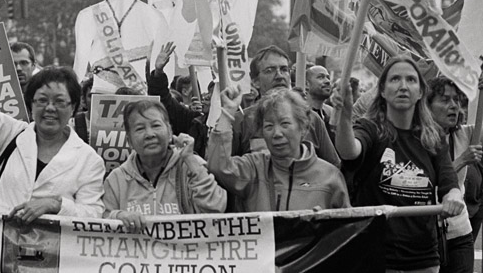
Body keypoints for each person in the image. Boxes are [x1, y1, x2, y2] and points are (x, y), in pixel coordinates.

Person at [333, 57, 463, 273]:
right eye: (394, 80)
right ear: (383, 90)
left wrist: (453, 198)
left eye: (410, 80)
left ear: (420, 91)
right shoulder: (372, 128)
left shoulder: (433, 138)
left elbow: (450, 184)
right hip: (374, 265)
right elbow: (349, 151)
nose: (402, 85)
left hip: (422, 265)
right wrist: (345, 115)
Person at [0, 38, 105, 221]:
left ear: (73, 107)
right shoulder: (12, 133)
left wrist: (56, 204)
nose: (50, 108)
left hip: (51, 247)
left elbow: (93, 214)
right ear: (31, 104)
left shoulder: (89, 160)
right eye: (42, 100)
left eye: (59, 101)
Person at [208, 87, 349, 212]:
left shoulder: (330, 176)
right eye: (269, 126)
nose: (277, 133)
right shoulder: (254, 168)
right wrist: (227, 113)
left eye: (285, 124)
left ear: (303, 127)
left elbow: (347, 230)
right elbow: (218, 166)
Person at [427, 76, 481, 273]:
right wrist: (461, 161)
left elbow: (479, 118)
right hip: (424, 232)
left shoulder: (465, 133)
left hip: (458, 232)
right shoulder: (417, 139)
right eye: (445, 100)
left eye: (458, 101)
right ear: (427, 105)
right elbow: (434, 180)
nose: (454, 107)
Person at [103, 100, 226, 231]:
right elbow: (100, 221)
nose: (149, 134)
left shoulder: (191, 165)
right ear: (129, 141)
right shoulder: (116, 179)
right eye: (140, 129)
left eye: (156, 125)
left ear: (169, 132)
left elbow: (216, 208)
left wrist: (190, 160)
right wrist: (118, 216)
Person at [231, 46, 339, 167]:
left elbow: (333, 166)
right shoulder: (240, 122)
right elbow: (226, 170)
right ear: (255, 81)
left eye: (284, 69)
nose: (279, 75)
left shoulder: (311, 118)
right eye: (270, 70)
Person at [305, 65, 334, 140]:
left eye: (328, 77)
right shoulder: (302, 115)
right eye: (321, 77)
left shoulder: (331, 113)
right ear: (307, 84)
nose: (327, 81)